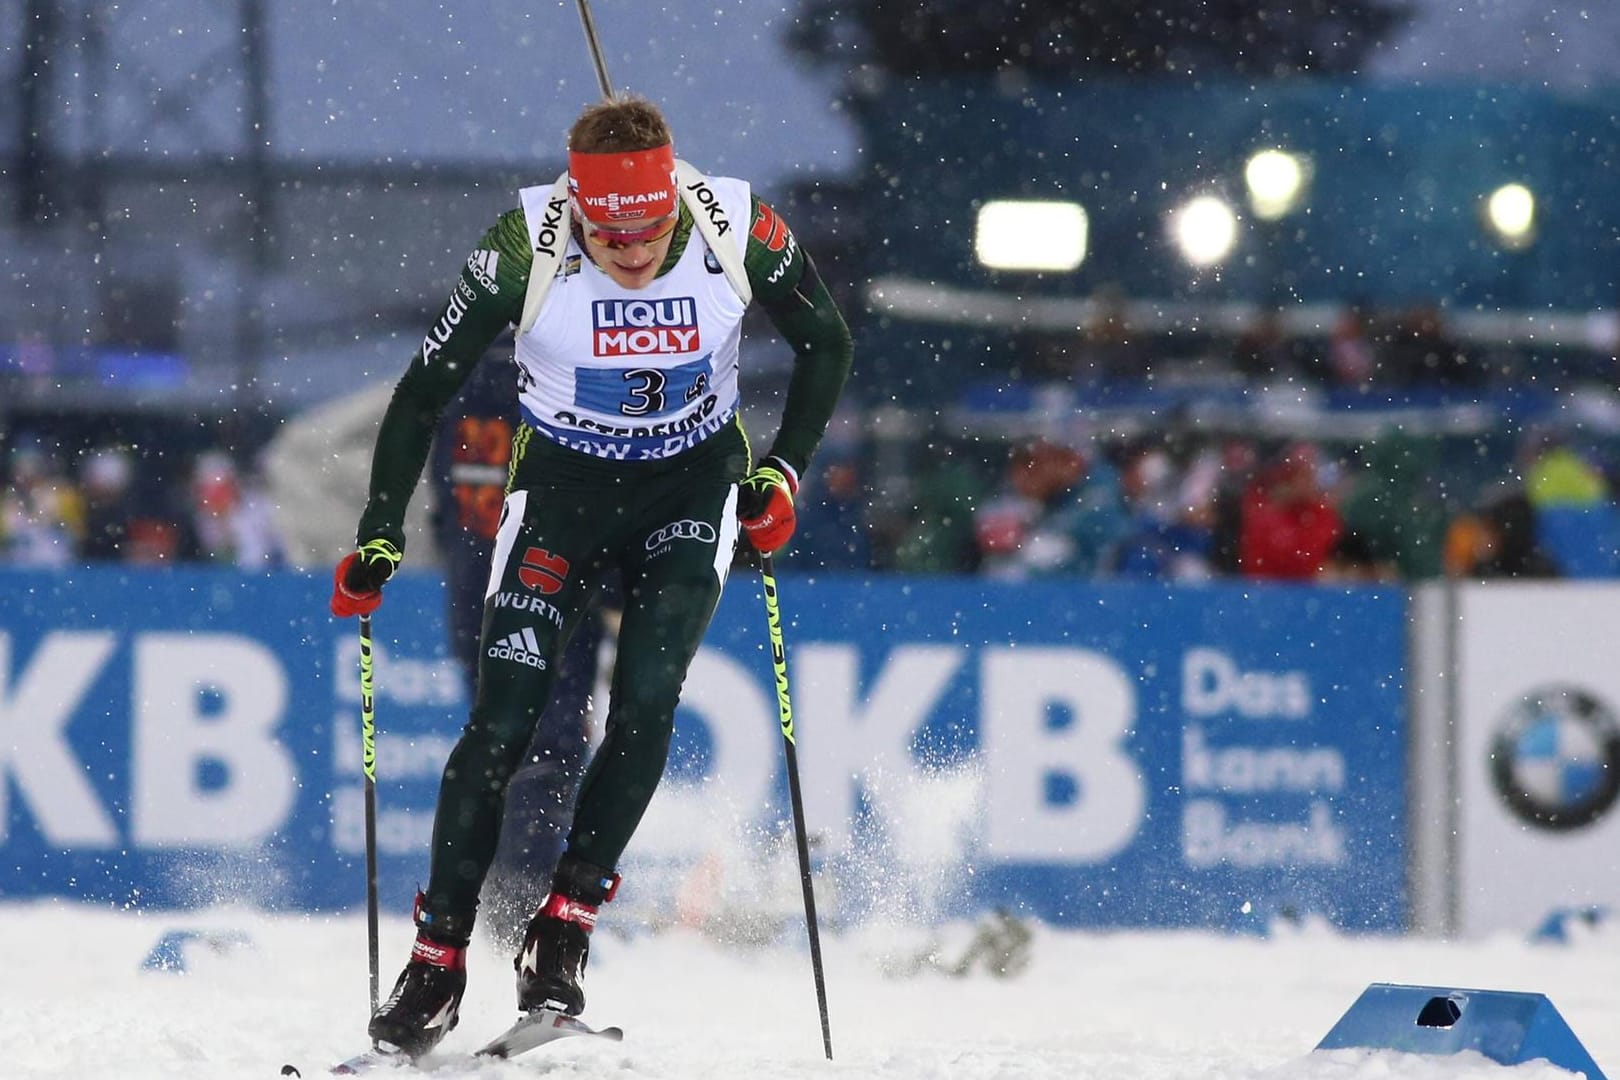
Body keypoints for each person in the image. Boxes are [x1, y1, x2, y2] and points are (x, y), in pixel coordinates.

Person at [328, 95, 853, 1059]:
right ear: (578, 206)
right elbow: (421, 391)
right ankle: (438, 960)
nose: (636, 251)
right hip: (562, 489)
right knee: (505, 723)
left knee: (648, 700)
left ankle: (564, 925)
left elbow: (828, 340)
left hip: (689, 488)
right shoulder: (522, 245)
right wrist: (379, 535)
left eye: (652, 229)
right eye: (612, 234)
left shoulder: (733, 219)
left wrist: (781, 469)